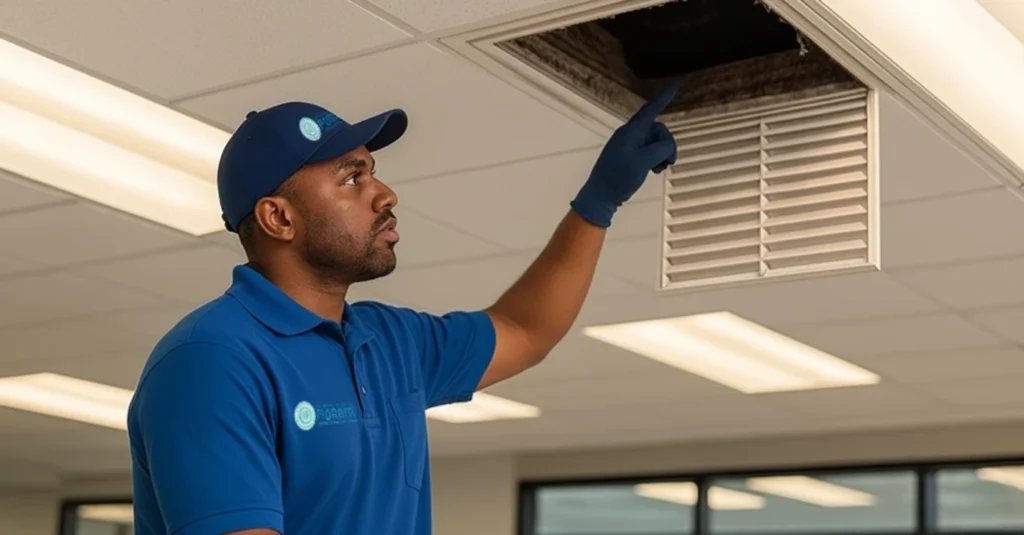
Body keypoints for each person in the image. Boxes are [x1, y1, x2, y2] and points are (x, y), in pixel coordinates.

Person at [126, 85, 678, 535]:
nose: (385, 193)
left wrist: (598, 203)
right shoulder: (211, 361)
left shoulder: (389, 341)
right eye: (352, 178)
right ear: (279, 219)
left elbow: (525, 329)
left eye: (372, 171)